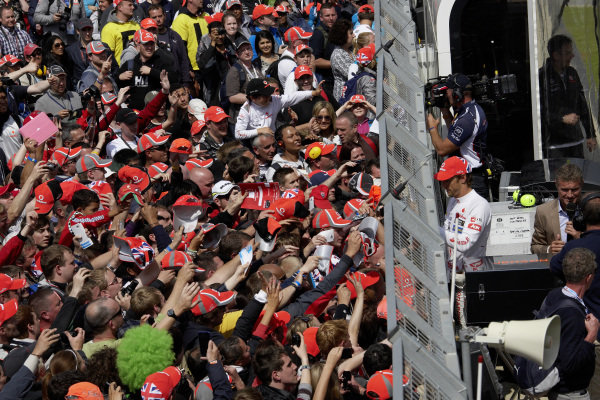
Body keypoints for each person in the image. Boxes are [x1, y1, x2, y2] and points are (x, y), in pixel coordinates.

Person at [543, 247, 599, 400]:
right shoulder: (572, 314)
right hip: (570, 394)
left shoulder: (553, 296)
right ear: (588, 278)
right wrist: (591, 335)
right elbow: (571, 364)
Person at [426, 73, 489, 199]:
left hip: (472, 181)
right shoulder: (469, 110)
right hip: (470, 178)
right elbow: (455, 134)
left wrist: (432, 127)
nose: (446, 94)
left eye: (448, 91)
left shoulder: (466, 119)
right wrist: (444, 109)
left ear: (457, 93)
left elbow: (442, 149)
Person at [539, 34, 597, 158]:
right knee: (559, 178)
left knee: (578, 176)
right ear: (555, 55)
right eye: (568, 53)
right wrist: (561, 118)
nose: (572, 56)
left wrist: (591, 134)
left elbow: (583, 105)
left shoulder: (572, 73)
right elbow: (539, 110)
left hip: (575, 142)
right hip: (554, 145)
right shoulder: (541, 77)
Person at [434, 156, 491, 274]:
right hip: (452, 272)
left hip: (471, 276)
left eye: (447, 180)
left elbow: (465, 242)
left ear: (463, 178)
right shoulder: (453, 201)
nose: (443, 185)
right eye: (442, 181)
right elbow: (447, 230)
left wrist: (433, 229)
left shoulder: (479, 205)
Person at [531, 163, 584, 256]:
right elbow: (535, 246)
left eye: (575, 189)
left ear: (582, 184)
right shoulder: (543, 212)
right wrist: (549, 249)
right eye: (564, 190)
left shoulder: (592, 208)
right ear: (556, 185)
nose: (570, 195)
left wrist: (582, 239)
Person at [170, 0, 208, 81]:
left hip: (209, 66)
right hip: (193, 70)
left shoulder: (206, 16)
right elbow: (180, 48)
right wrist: (188, 69)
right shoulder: (181, 19)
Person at [100, 0, 139, 64]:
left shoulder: (136, 25)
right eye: (130, 5)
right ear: (120, 7)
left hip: (137, 68)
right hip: (119, 70)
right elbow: (108, 55)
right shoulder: (109, 28)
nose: (133, 7)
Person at [65, 18, 94, 88]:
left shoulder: (101, 46)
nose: (87, 33)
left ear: (92, 29)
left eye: (89, 29)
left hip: (97, 84)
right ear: (78, 31)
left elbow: (114, 67)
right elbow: (69, 72)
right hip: (79, 87)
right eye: (84, 30)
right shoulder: (71, 50)